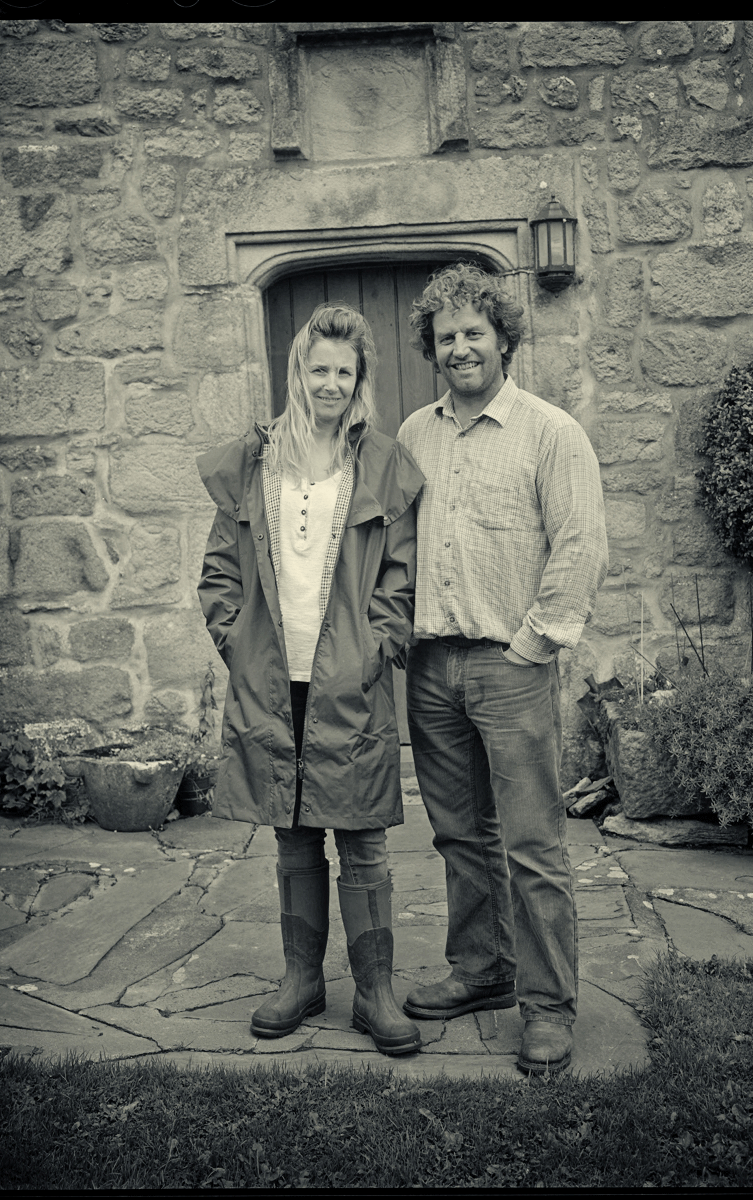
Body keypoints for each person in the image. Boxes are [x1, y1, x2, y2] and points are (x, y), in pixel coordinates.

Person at [396, 262, 609, 1076]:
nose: (459, 347)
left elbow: (580, 544)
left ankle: (547, 1008)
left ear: (501, 339)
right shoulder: (414, 435)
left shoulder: (550, 432)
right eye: (445, 336)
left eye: (473, 333)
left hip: (509, 666)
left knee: (532, 845)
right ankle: (482, 969)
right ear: (431, 348)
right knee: (459, 834)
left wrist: (532, 645)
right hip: (430, 667)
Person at [197, 302, 425, 1056]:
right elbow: (219, 573)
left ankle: (374, 992)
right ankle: (301, 980)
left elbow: (399, 578)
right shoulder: (253, 460)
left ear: (360, 381)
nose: (331, 383)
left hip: (350, 681)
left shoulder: (381, 463)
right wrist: (239, 646)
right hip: (274, 681)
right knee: (292, 837)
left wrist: (375, 650)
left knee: (362, 839)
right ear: (298, 372)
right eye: (319, 369)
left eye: (344, 372)